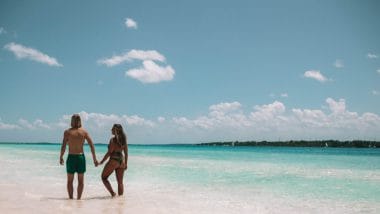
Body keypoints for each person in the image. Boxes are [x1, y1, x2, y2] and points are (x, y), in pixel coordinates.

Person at [59, 114, 98, 200]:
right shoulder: (84, 132)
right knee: (81, 181)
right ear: (80, 121)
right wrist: (94, 159)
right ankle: (78, 200)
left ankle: (70, 199)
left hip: (71, 157)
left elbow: (63, 146)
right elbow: (92, 146)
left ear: (71, 121)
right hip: (80, 158)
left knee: (70, 181)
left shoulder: (67, 132)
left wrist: (61, 156)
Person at [99, 124, 128, 197]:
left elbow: (109, 152)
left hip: (114, 160)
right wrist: (126, 164)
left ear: (115, 130)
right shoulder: (124, 140)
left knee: (104, 177)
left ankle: (112, 193)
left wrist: (102, 161)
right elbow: (126, 153)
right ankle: (120, 201)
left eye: (112, 128)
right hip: (122, 160)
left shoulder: (113, 140)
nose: (111, 130)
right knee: (120, 182)